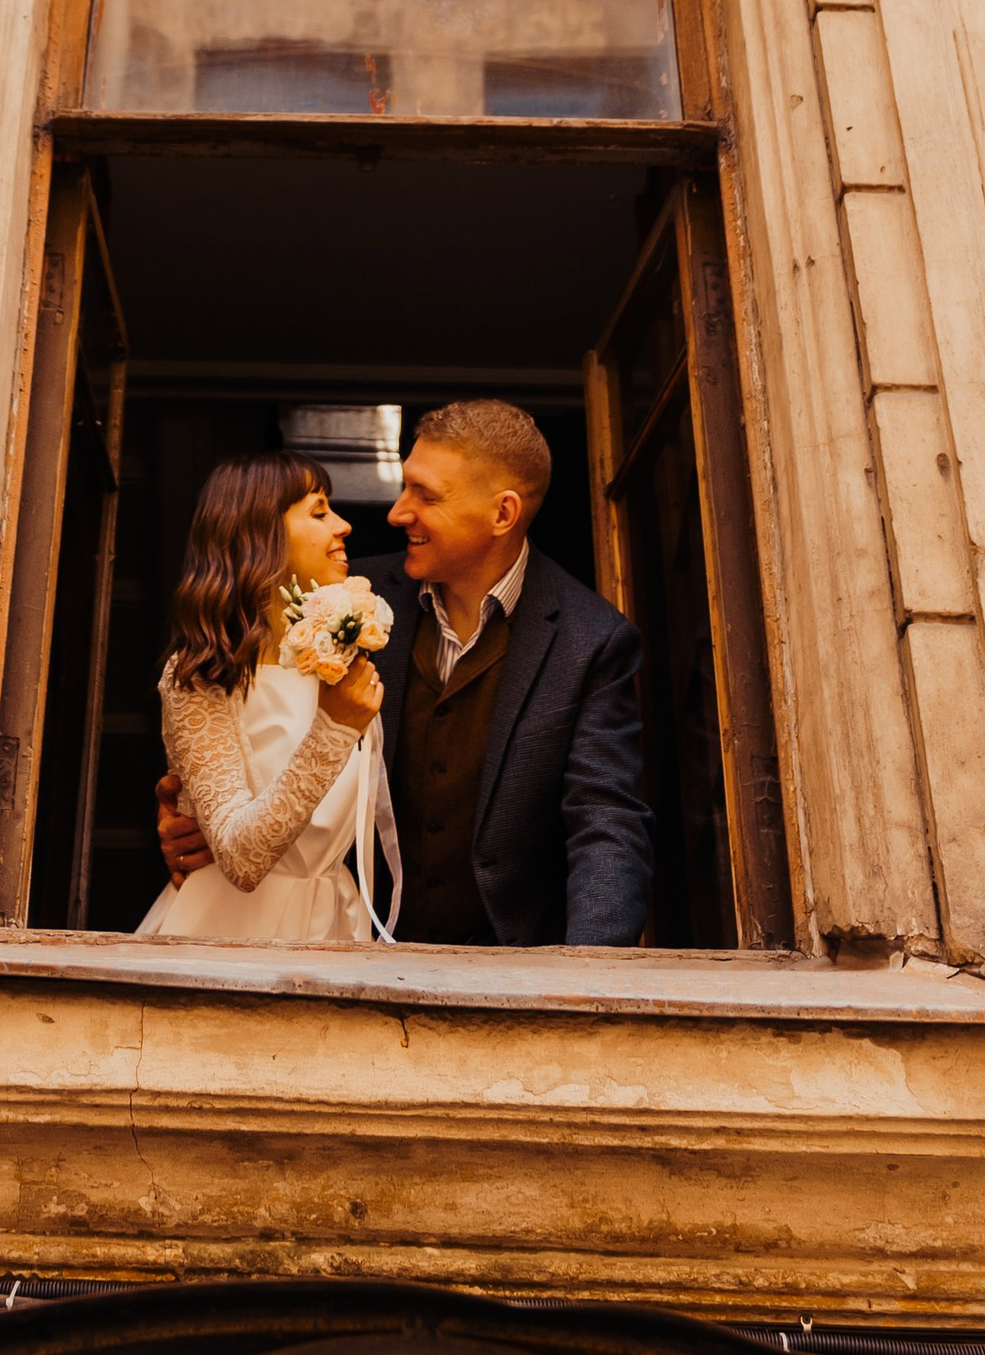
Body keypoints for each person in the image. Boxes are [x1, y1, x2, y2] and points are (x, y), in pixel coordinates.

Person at [156, 399, 653, 947]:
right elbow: (232, 723)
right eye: (403, 484)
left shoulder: (591, 639)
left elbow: (605, 822)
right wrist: (185, 812)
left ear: (502, 514)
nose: (394, 513)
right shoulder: (338, 596)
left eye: (425, 494)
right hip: (352, 940)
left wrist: (591, 977)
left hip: (507, 960)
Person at [137, 452, 391, 945]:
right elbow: (239, 857)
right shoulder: (204, 673)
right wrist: (334, 729)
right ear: (261, 535)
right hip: (228, 932)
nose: (343, 525)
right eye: (319, 512)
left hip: (335, 926)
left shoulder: (343, 656)